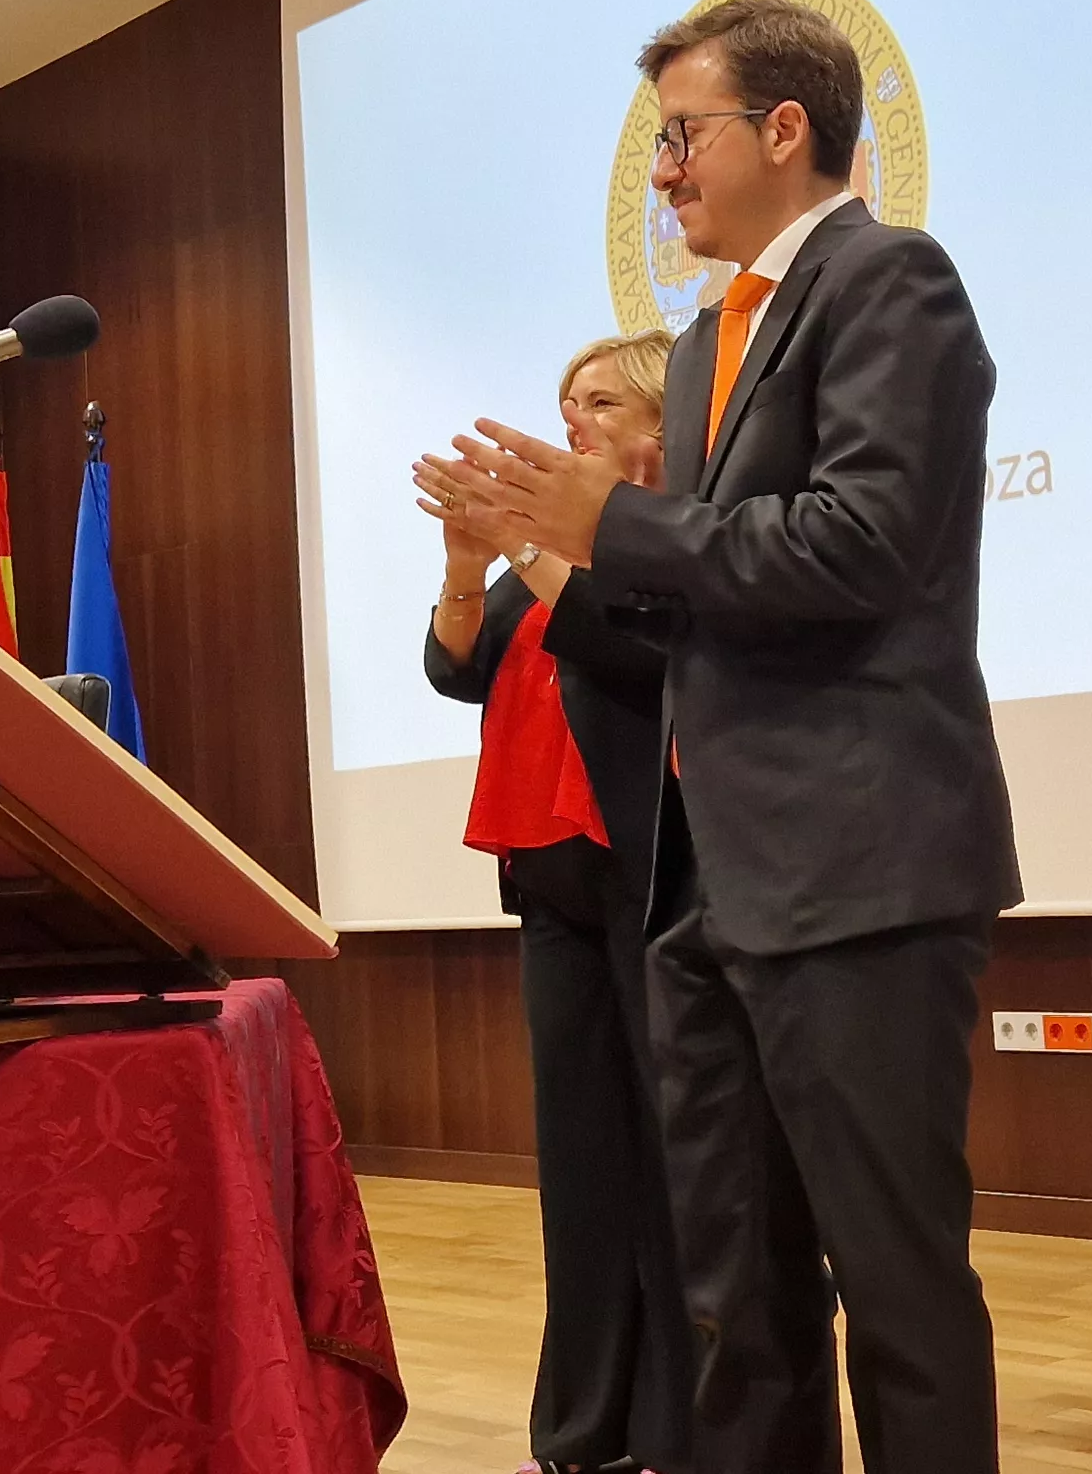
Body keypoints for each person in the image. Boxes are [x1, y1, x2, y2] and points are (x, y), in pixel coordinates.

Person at [433, 0, 1019, 1474]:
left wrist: (613, 521)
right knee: (733, 1309)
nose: (661, 174)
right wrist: (558, 551)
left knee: (896, 1297)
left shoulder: (891, 282)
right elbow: (698, 610)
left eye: (681, 137)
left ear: (783, 129)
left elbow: (856, 551)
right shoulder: (702, 347)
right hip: (703, 892)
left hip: (862, 875)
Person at [413, 330, 689, 1474]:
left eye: (597, 402)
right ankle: (582, 1433)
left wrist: (525, 539)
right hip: (551, 885)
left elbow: (635, 657)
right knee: (580, 1172)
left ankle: (681, 1429)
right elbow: (453, 667)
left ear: (656, 434)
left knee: (676, 1168)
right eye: (564, 400)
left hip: (654, 882)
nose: (569, 419)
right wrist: (459, 560)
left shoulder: (674, 539)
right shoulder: (538, 564)